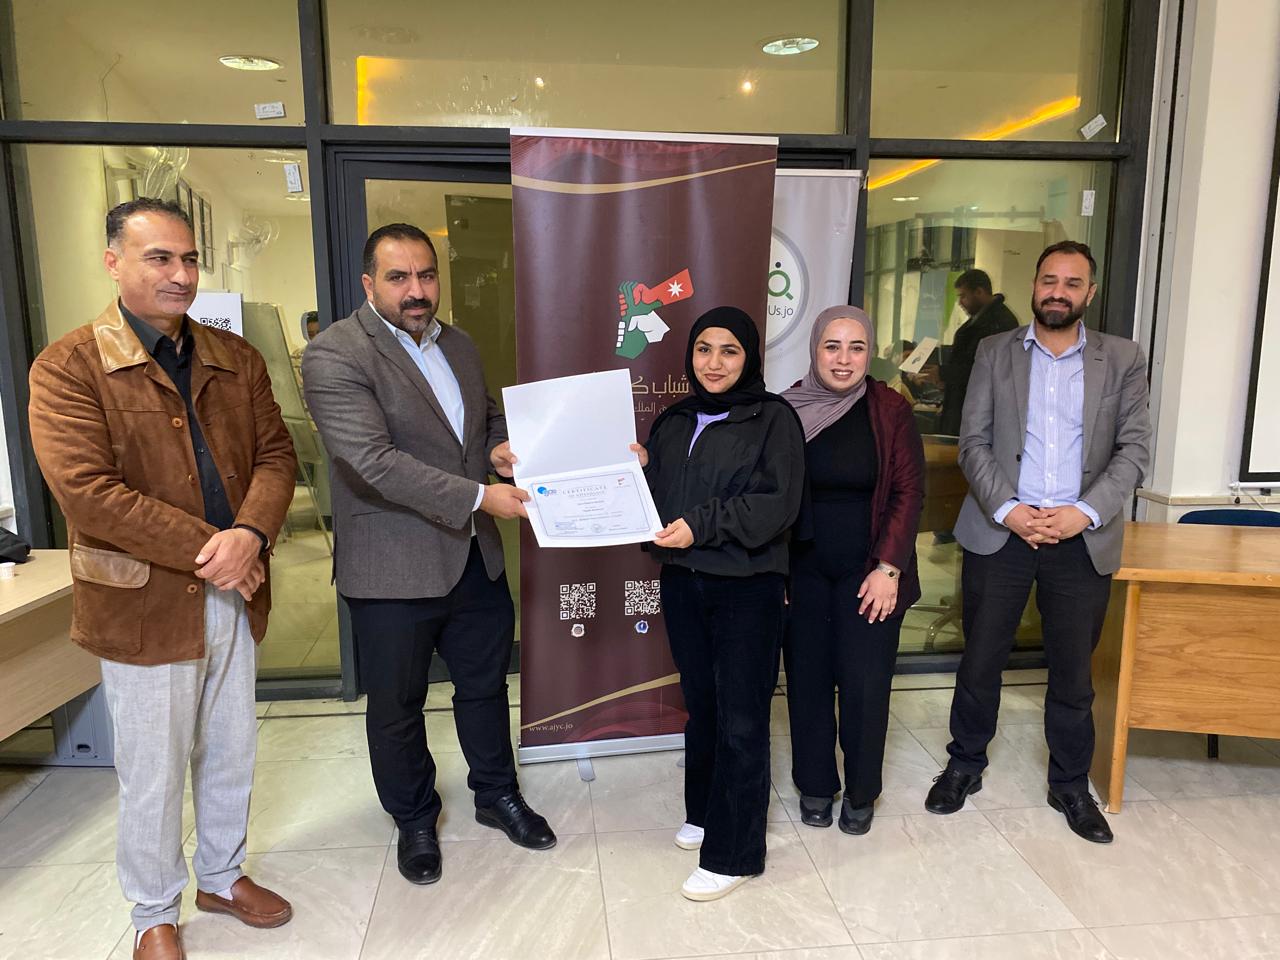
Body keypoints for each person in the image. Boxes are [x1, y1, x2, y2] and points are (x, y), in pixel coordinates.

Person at [28, 198, 298, 960]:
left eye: (188, 259)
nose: (180, 274)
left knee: (231, 747)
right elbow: (88, 493)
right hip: (143, 602)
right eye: (159, 258)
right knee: (153, 767)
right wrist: (219, 547)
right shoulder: (69, 367)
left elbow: (276, 456)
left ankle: (221, 875)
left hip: (235, 590)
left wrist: (251, 535)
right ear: (113, 262)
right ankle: (153, 911)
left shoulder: (234, 357)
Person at [302, 222, 554, 889]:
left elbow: (484, 418)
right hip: (391, 563)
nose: (416, 291)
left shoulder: (459, 344)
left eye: (426, 275)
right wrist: (480, 496)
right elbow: (372, 462)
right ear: (369, 284)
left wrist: (498, 448)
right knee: (397, 706)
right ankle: (414, 818)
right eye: (399, 277)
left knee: (484, 687)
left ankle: (497, 794)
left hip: (473, 559)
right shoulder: (335, 354)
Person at [924, 241, 1152, 844]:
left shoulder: (1123, 358)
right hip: (1002, 532)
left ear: (1090, 293)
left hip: (1080, 538)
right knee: (980, 660)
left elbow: (1134, 451)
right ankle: (964, 764)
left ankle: (1070, 784)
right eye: (1049, 280)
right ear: (1033, 286)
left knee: (1074, 672)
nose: (1058, 292)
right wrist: (1009, 509)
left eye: (1072, 283)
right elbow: (972, 441)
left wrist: (1082, 513)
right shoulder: (994, 351)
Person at [631, 306, 805, 901]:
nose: (714, 362)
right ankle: (705, 812)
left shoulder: (774, 418)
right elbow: (658, 503)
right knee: (702, 706)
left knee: (743, 718)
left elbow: (776, 505)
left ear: (749, 357)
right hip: (684, 582)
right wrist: (633, 474)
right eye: (704, 349)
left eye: (729, 350)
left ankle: (735, 855)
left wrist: (700, 526)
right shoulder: (675, 419)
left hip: (747, 588)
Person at [781, 306, 925, 835]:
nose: (844, 359)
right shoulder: (785, 410)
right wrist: (776, 571)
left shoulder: (890, 409)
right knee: (808, 681)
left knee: (865, 685)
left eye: (856, 347)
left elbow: (909, 491)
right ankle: (815, 785)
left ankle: (862, 791)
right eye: (832, 346)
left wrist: (889, 567)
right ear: (815, 349)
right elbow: (769, 493)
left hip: (870, 572)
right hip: (803, 571)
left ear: (870, 354)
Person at [938, 269, 1020, 436]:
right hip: (965, 407)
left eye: (963, 296)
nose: (960, 302)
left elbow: (983, 370)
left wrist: (945, 374)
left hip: (981, 413)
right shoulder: (978, 322)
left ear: (979, 292)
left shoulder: (1000, 323)